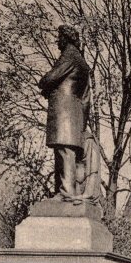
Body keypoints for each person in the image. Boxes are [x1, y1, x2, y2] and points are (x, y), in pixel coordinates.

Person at [38, 24, 91, 200]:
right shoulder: (82, 61)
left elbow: (51, 77)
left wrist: (43, 83)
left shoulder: (69, 55)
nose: (57, 41)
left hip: (64, 111)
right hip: (74, 113)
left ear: (66, 38)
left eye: (59, 37)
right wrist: (82, 121)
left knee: (65, 152)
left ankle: (67, 192)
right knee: (65, 152)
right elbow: (86, 98)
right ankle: (64, 191)